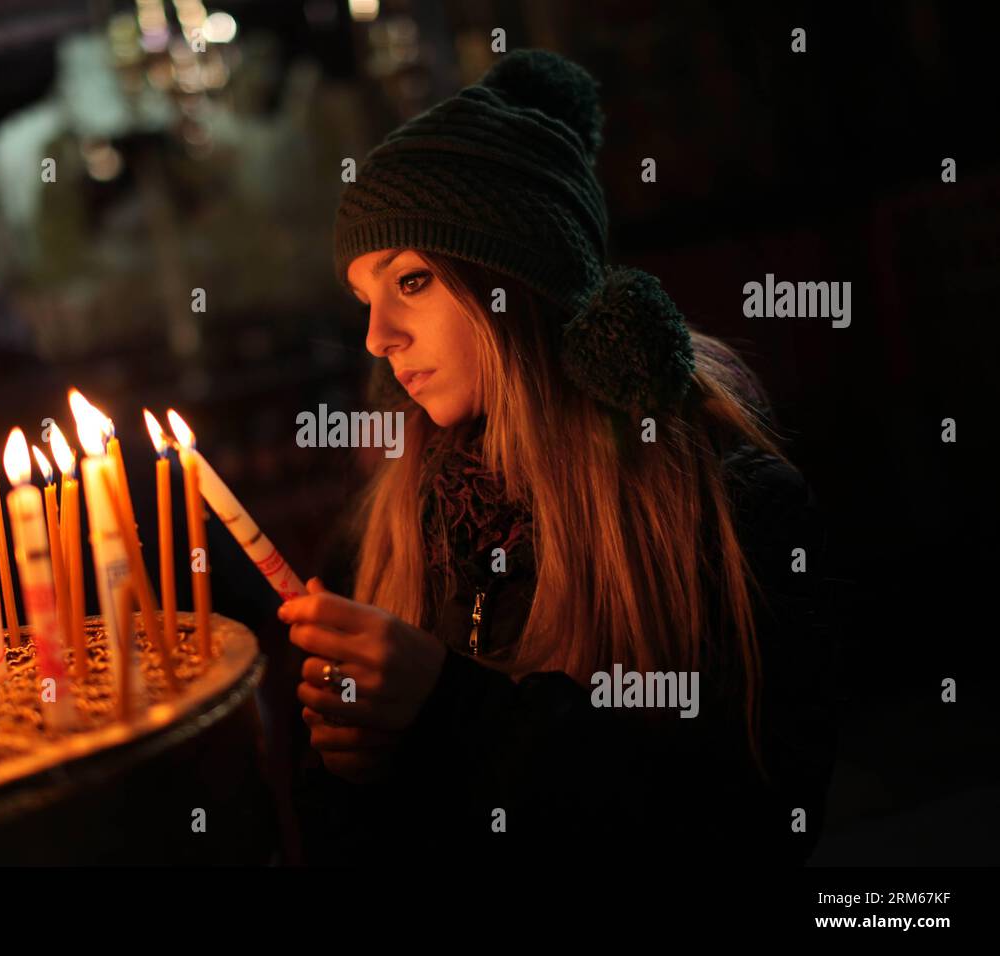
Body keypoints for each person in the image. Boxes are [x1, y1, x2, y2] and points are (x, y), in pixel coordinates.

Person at [284, 50, 841, 864]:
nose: (377, 337)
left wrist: (448, 711)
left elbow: (750, 831)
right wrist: (353, 771)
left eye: (411, 281)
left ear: (517, 282)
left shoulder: (730, 512)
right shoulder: (396, 525)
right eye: (365, 299)